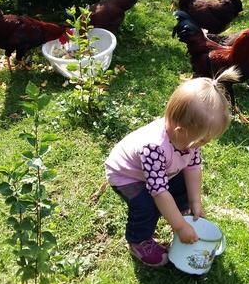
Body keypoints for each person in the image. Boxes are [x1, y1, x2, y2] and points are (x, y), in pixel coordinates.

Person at [94, 67, 238, 267]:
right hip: (127, 175)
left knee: (182, 186)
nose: (203, 145)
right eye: (202, 141)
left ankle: (183, 210)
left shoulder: (188, 139)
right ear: (181, 131)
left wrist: (196, 202)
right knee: (147, 206)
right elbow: (159, 191)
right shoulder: (153, 148)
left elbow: (193, 167)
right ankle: (139, 241)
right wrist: (179, 226)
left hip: (160, 170)